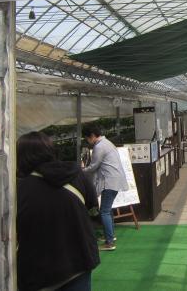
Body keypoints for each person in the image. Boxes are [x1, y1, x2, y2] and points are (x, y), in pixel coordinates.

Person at [16, 131, 100, 291]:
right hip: (79, 260)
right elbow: (93, 208)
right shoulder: (77, 174)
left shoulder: (20, 189)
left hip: (38, 271)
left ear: (21, 157)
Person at [82, 124, 128, 251]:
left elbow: (93, 166)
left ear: (92, 136)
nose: (87, 141)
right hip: (115, 180)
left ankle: (109, 242)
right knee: (107, 210)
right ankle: (110, 236)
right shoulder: (107, 143)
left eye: (87, 138)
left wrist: (80, 171)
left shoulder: (99, 146)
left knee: (104, 211)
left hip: (109, 182)